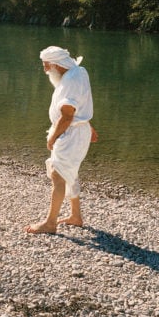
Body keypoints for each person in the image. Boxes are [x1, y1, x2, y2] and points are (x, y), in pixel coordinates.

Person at [25, 45, 96, 234]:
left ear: (57, 65)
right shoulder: (79, 72)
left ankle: (50, 223)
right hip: (78, 131)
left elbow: (67, 116)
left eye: (46, 65)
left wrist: (53, 136)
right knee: (69, 172)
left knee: (58, 174)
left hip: (70, 133)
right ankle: (76, 216)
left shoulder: (69, 83)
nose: (45, 70)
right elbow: (82, 105)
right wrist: (88, 126)